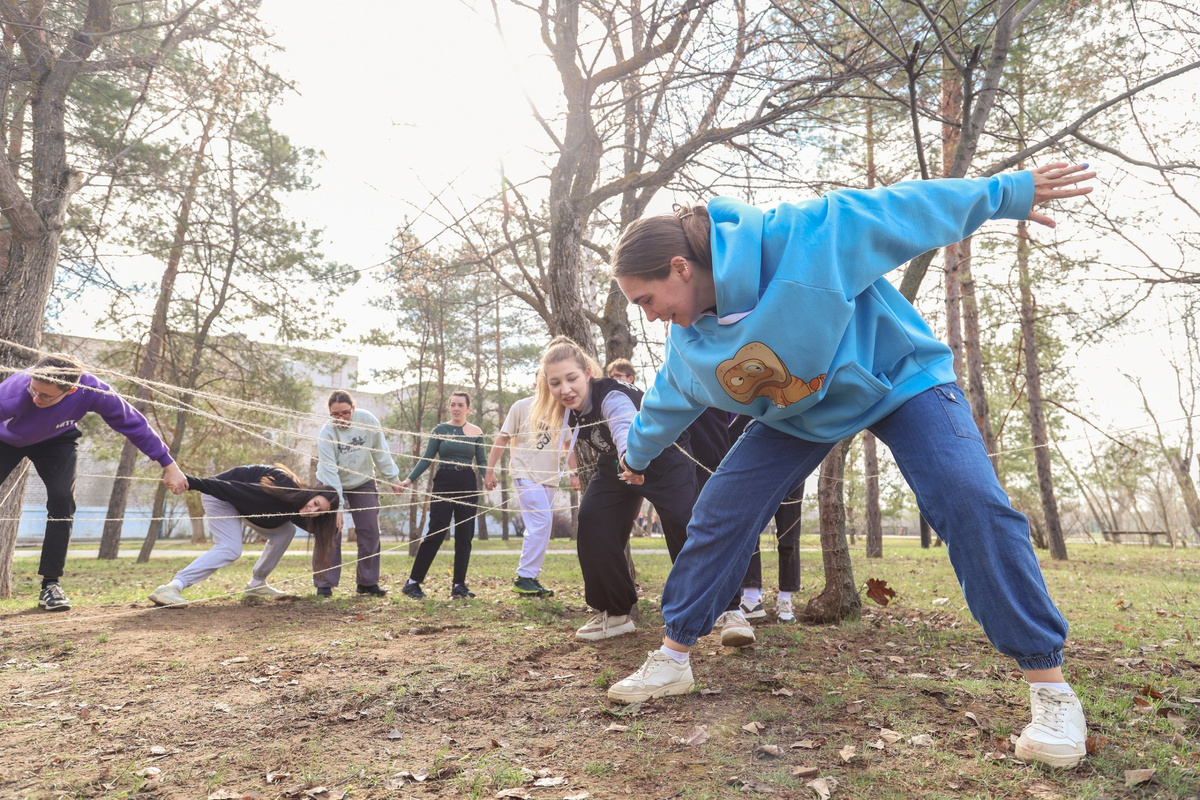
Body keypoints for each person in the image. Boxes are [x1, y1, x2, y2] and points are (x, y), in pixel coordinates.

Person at [603, 163, 1096, 770]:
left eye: (646, 300)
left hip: (899, 377)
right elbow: (660, 409)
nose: (648, 316)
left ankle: (1051, 690)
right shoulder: (690, 347)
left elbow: (903, 210)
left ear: (680, 267)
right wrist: (635, 456)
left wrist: (1005, 194)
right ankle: (673, 659)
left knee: (970, 501)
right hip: (800, 417)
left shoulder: (802, 238)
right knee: (721, 513)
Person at [530, 336, 697, 641]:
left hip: (663, 457)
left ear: (587, 374)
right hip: (618, 464)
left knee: (683, 526)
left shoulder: (611, 396)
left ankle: (724, 608)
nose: (565, 390)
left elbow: (624, 426)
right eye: (555, 383)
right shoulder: (568, 410)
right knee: (593, 519)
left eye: (571, 379)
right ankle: (616, 611)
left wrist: (629, 459)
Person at [0, 354, 188, 611]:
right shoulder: (11, 394)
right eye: (34, 390)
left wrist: (169, 465)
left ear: (72, 390)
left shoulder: (93, 390)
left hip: (56, 438)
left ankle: (50, 585)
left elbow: (132, 423)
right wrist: (35, 394)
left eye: (45, 396)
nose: (36, 398)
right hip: (5, 440)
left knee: (62, 501)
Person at [148, 464, 340, 608]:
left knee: (286, 531)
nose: (312, 510)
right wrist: (188, 482)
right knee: (230, 548)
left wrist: (336, 517)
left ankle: (256, 584)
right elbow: (227, 488)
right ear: (311, 494)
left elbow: (318, 526)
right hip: (220, 495)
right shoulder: (280, 490)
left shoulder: (297, 508)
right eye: (315, 502)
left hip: (242, 507)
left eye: (319, 511)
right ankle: (173, 587)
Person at [313, 390, 403, 598]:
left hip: (362, 481)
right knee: (331, 529)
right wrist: (338, 509)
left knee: (369, 528)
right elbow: (330, 472)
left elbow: (381, 452)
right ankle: (324, 583)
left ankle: (367, 582)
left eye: (345, 413)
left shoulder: (367, 420)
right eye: (335, 414)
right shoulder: (327, 433)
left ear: (353, 408)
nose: (341, 418)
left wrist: (393, 479)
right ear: (329, 413)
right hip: (330, 482)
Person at [399, 391, 486, 600]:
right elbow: (427, 458)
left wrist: (488, 477)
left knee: (465, 536)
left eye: (460, 405)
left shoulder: (476, 431)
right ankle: (412, 583)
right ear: (449, 406)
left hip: (467, 483)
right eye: (453, 404)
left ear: (468, 408)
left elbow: (482, 461)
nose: (456, 408)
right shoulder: (440, 430)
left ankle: (459, 586)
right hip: (444, 481)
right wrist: (407, 481)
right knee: (436, 531)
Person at [484, 391, 562, 597]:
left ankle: (530, 577)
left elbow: (567, 443)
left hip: (549, 477)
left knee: (541, 527)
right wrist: (489, 470)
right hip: (524, 472)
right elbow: (502, 438)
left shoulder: (561, 409)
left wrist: (574, 474)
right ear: (538, 383)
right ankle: (524, 576)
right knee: (542, 521)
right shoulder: (521, 406)